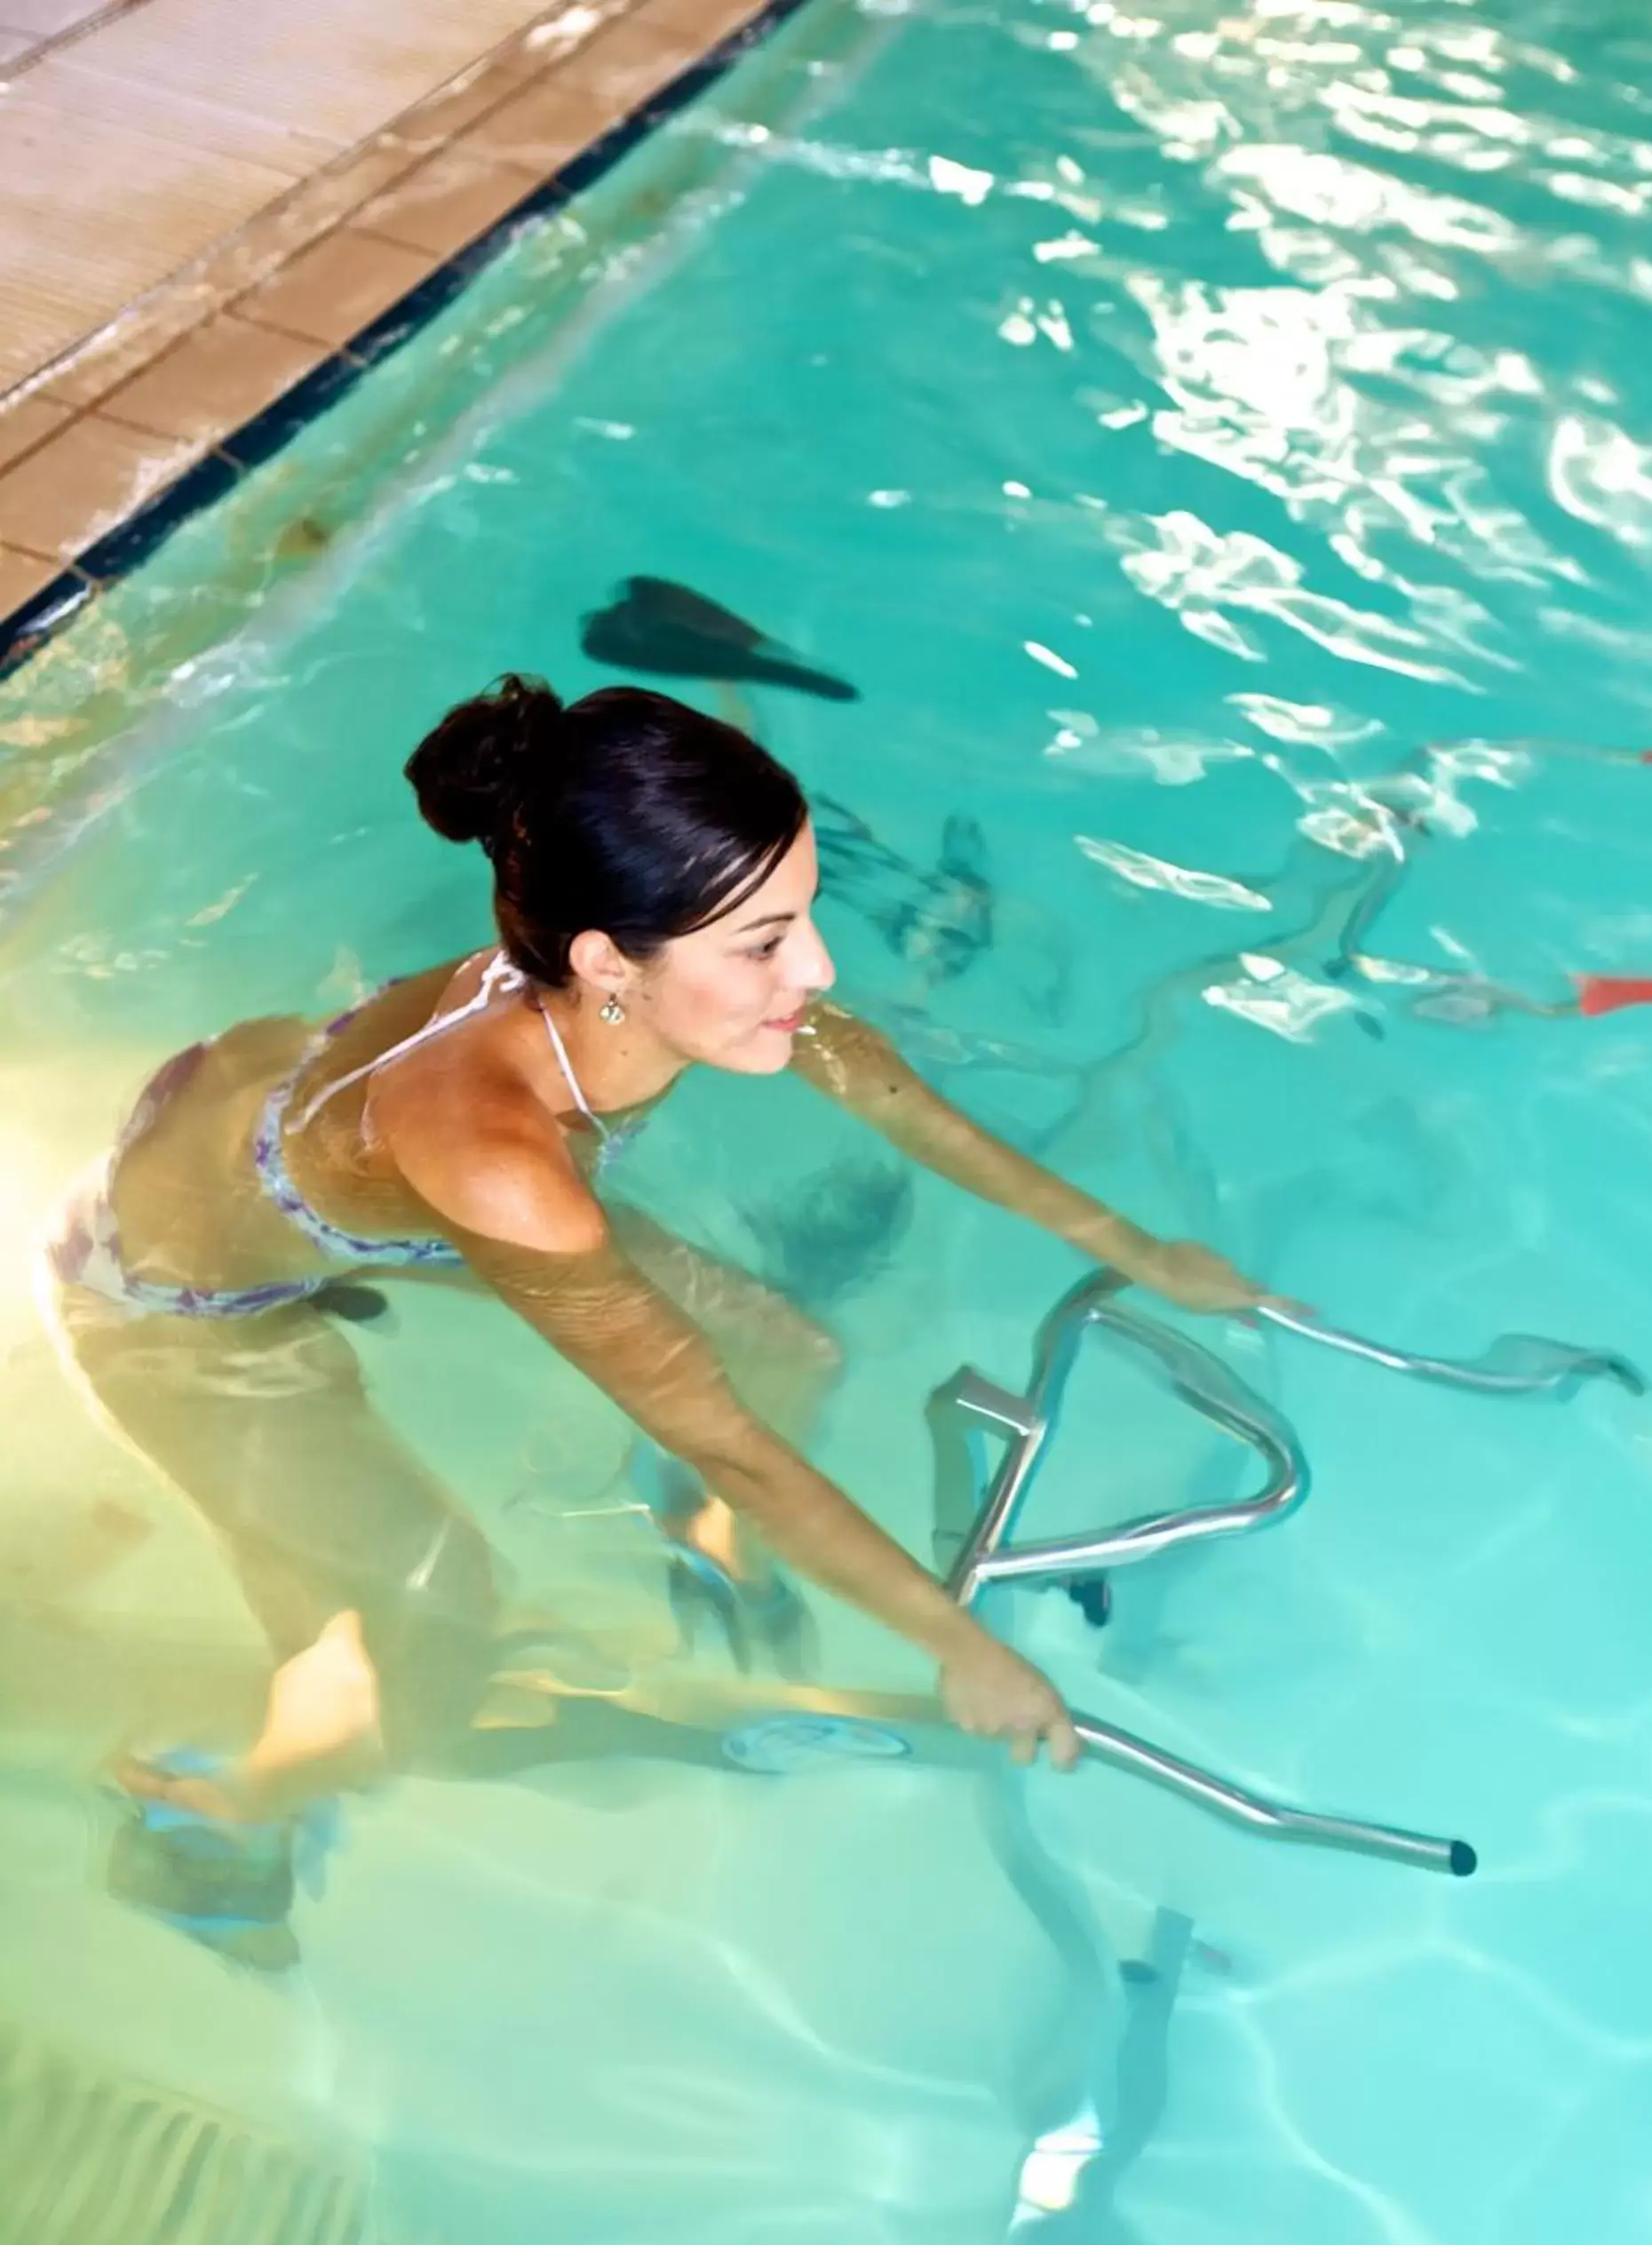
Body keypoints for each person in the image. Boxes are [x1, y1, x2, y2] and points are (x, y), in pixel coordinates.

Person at [46, 677, 1273, 1827]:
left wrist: (1142, 1251)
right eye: (764, 944)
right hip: (177, 1301)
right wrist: (961, 1649)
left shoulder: (601, 981)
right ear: (607, 962)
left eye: (803, 917)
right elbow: (725, 1436)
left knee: (789, 1349)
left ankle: (691, 1533)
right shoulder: (502, 1160)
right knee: (427, 1636)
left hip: (295, 1151)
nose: (819, 968)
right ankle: (222, 1812)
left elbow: (886, 1092)